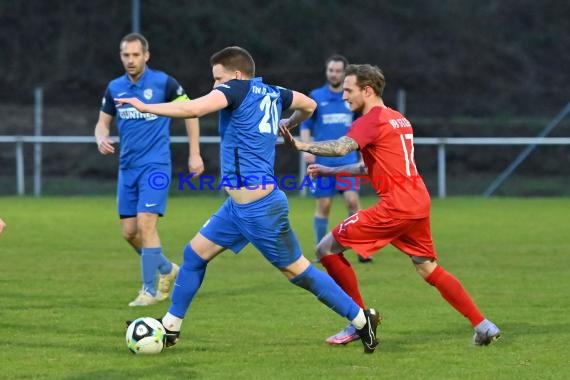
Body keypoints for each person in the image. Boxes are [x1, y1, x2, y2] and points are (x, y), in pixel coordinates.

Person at [116, 46, 380, 353]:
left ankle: (362, 320)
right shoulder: (273, 92)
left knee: (300, 273)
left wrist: (146, 107)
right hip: (237, 208)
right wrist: (289, 123)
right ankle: (171, 327)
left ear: (237, 75)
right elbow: (309, 105)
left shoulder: (236, 89)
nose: (215, 85)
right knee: (194, 254)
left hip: (261, 210)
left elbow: (193, 109)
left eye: (218, 78)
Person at [280, 64, 501, 346]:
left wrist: (300, 146)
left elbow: (340, 147)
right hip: (418, 201)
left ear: (367, 90)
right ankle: (482, 325)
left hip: (395, 206)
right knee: (427, 267)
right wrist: (330, 171)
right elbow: (371, 167)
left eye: (349, 90)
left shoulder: (368, 121)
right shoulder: (398, 119)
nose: (344, 96)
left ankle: (360, 321)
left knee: (326, 249)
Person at [94, 33, 205, 307]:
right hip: (127, 168)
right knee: (129, 232)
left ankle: (148, 290)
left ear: (146, 56)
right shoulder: (114, 87)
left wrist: (194, 153)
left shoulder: (164, 82)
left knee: (145, 225)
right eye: (125, 55)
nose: (130, 60)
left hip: (156, 166)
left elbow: (191, 112)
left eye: (135, 55)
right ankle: (167, 270)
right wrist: (101, 136)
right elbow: (102, 123)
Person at [300, 55, 370, 263]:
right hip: (323, 163)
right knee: (324, 206)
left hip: (348, 161)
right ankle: (323, 251)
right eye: (331, 70)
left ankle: (361, 248)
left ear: (345, 73)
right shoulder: (316, 96)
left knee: (352, 201)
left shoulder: (351, 98)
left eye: (338, 71)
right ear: (327, 71)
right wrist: (306, 148)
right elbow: (305, 124)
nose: (334, 74)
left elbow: (363, 126)